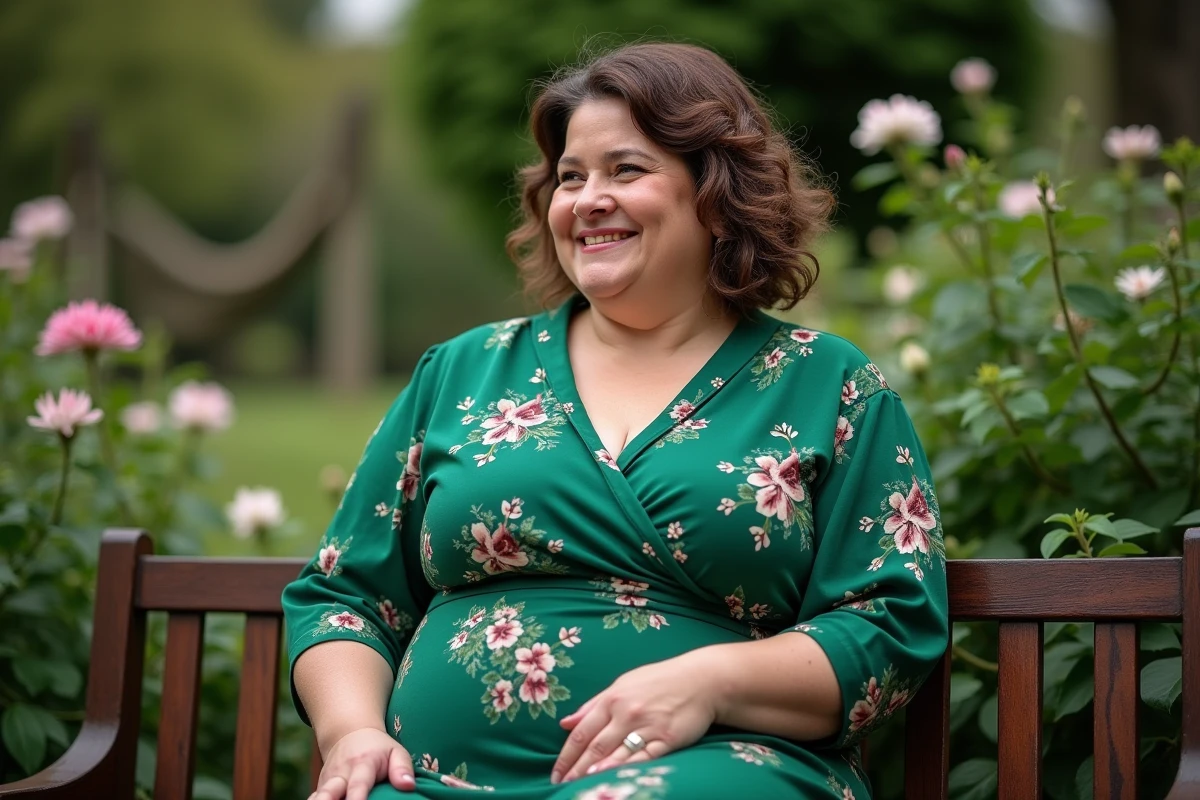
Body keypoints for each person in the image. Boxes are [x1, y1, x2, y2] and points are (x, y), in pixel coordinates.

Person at [284, 41, 948, 800]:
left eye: (625, 170)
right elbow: (346, 596)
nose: (587, 198)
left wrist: (711, 683)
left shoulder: (830, 387)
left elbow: (891, 623)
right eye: (571, 177)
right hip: (437, 783)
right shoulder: (462, 373)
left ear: (716, 191)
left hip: (718, 771)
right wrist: (353, 734)